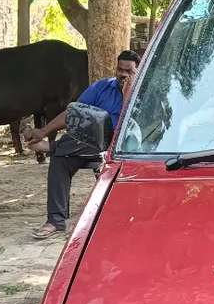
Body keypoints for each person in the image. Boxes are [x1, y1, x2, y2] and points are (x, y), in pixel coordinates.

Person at [25, 50, 139, 239]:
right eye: (120, 70)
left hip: (120, 148)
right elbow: (73, 113)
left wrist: (128, 94)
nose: (123, 75)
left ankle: (52, 147)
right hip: (87, 144)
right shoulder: (102, 87)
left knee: (66, 148)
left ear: (138, 71)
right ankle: (56, 221)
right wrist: (43, 131)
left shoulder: (143, 93)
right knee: (61, 159)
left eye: (129, 71)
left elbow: (128, 127)